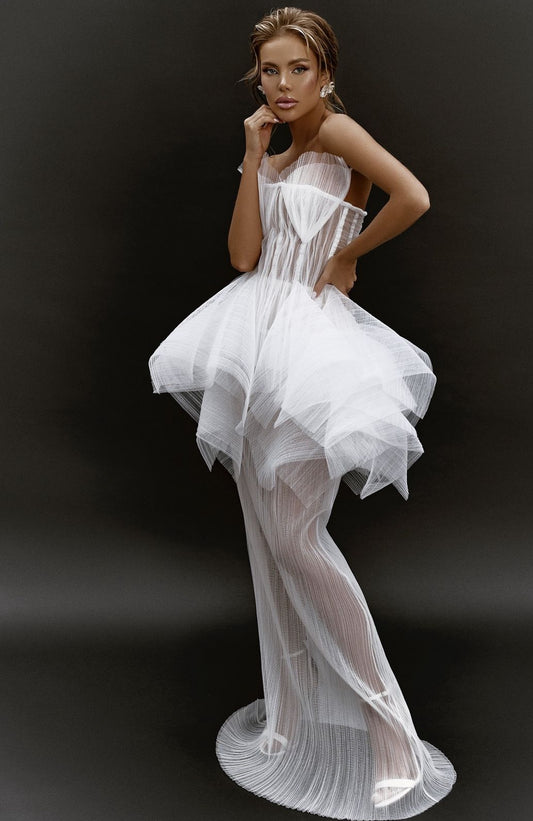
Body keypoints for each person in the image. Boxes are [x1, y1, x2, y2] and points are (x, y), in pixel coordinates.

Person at [149, 6, 456, 819]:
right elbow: (243, 257)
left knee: (297, 535)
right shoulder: (277, 149)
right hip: (254, 338)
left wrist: (346, 254)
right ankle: (286, 714)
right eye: (269, 71)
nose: (281, 86)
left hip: (312, 348)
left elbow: (413, 195)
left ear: (324, 73)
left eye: (297, 70)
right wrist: (252, 159)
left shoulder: (339, 137)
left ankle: (391, 733)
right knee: (264, 530)